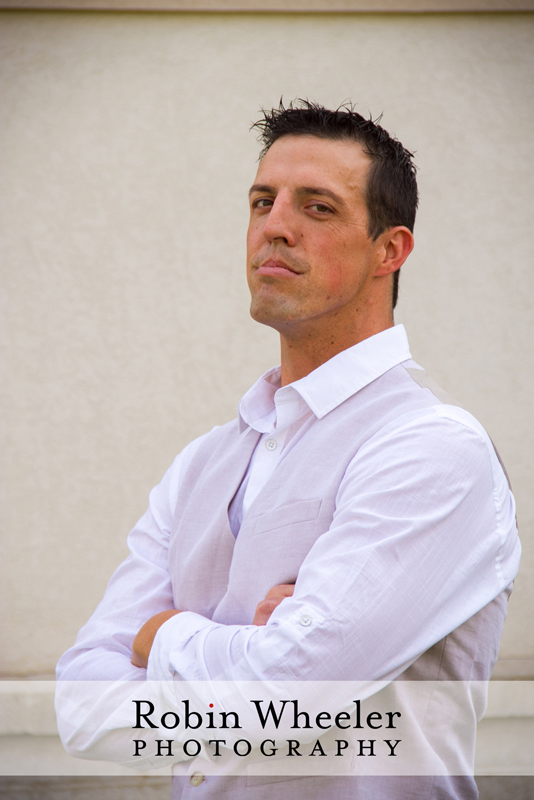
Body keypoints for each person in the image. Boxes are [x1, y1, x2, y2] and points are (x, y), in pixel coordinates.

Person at [56, 101, 521, 799]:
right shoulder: (202, 465)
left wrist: (165, 636)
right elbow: (83, 709)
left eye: (318, 208)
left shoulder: (431, 449)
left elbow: (299, 691)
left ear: (389, 250)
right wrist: (256, 667)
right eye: (262, 201)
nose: (274, 226)